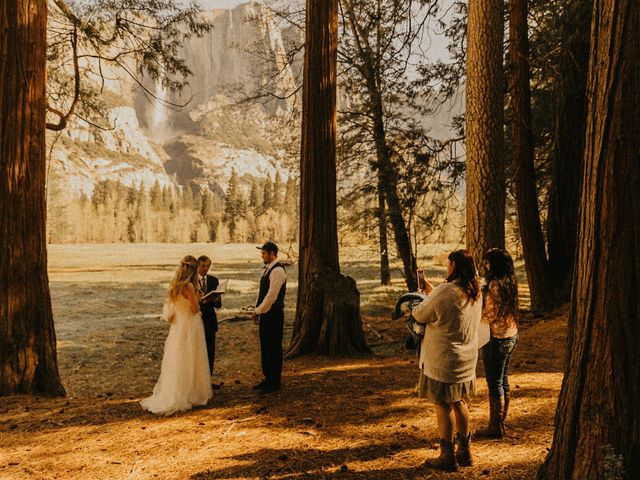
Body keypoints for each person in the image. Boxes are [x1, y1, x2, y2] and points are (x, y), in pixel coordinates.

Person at [411, 249, 482, 472]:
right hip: (466, 359)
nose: (447, 267)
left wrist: (420, 301)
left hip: (443, 359)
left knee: (442, 404)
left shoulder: (446, 290)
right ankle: (465, 451)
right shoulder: (474, 291)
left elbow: (421, 314)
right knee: (459, 402)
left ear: (453, 265)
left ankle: (447, 455)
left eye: (448, 264)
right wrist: (432, 292)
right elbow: (447, 307)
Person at [140, 256, 212, 415]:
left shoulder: (174, 286)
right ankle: (191, 394)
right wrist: (199, 298)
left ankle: (177, 392)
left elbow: (172, 310)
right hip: (190, 325)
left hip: (178, 326)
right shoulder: (189, 286)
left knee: (178, 359)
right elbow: (194, 309)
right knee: (192, 358)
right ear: (193, 270)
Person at [476, 248, 519, 439]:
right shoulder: (510, 281)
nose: (485, 265)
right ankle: (500, 424)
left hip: (497, 338)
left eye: (487, 262)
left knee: (495, 382)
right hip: (511, 334)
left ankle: (495, 427)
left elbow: (489, 315)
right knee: (503, 380)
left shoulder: (494, 284)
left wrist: (476, 311)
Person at [251, 241, 287, 394]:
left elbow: (271, 296)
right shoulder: (269, 269)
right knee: (266, 347)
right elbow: (262, 294)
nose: (262, 256)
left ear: (272, 253)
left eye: (264, 253)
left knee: (273, 348)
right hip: (267, 314)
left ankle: (274, 382)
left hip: (274, 315)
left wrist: (258, 311)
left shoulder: (278, 271)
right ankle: (268, 378)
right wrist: (257, 309)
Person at [197, 255, 223, 388]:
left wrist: (215, 300)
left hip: (210, 321)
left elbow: (219, 305)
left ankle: (208, 381)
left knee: (210, 352)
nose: (205, 269)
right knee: (197, 352)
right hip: (196, 321)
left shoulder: (214, 280)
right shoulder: (192, 281)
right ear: (197, 266)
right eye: (203, 266)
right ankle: (198, 382)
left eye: (207, 266)